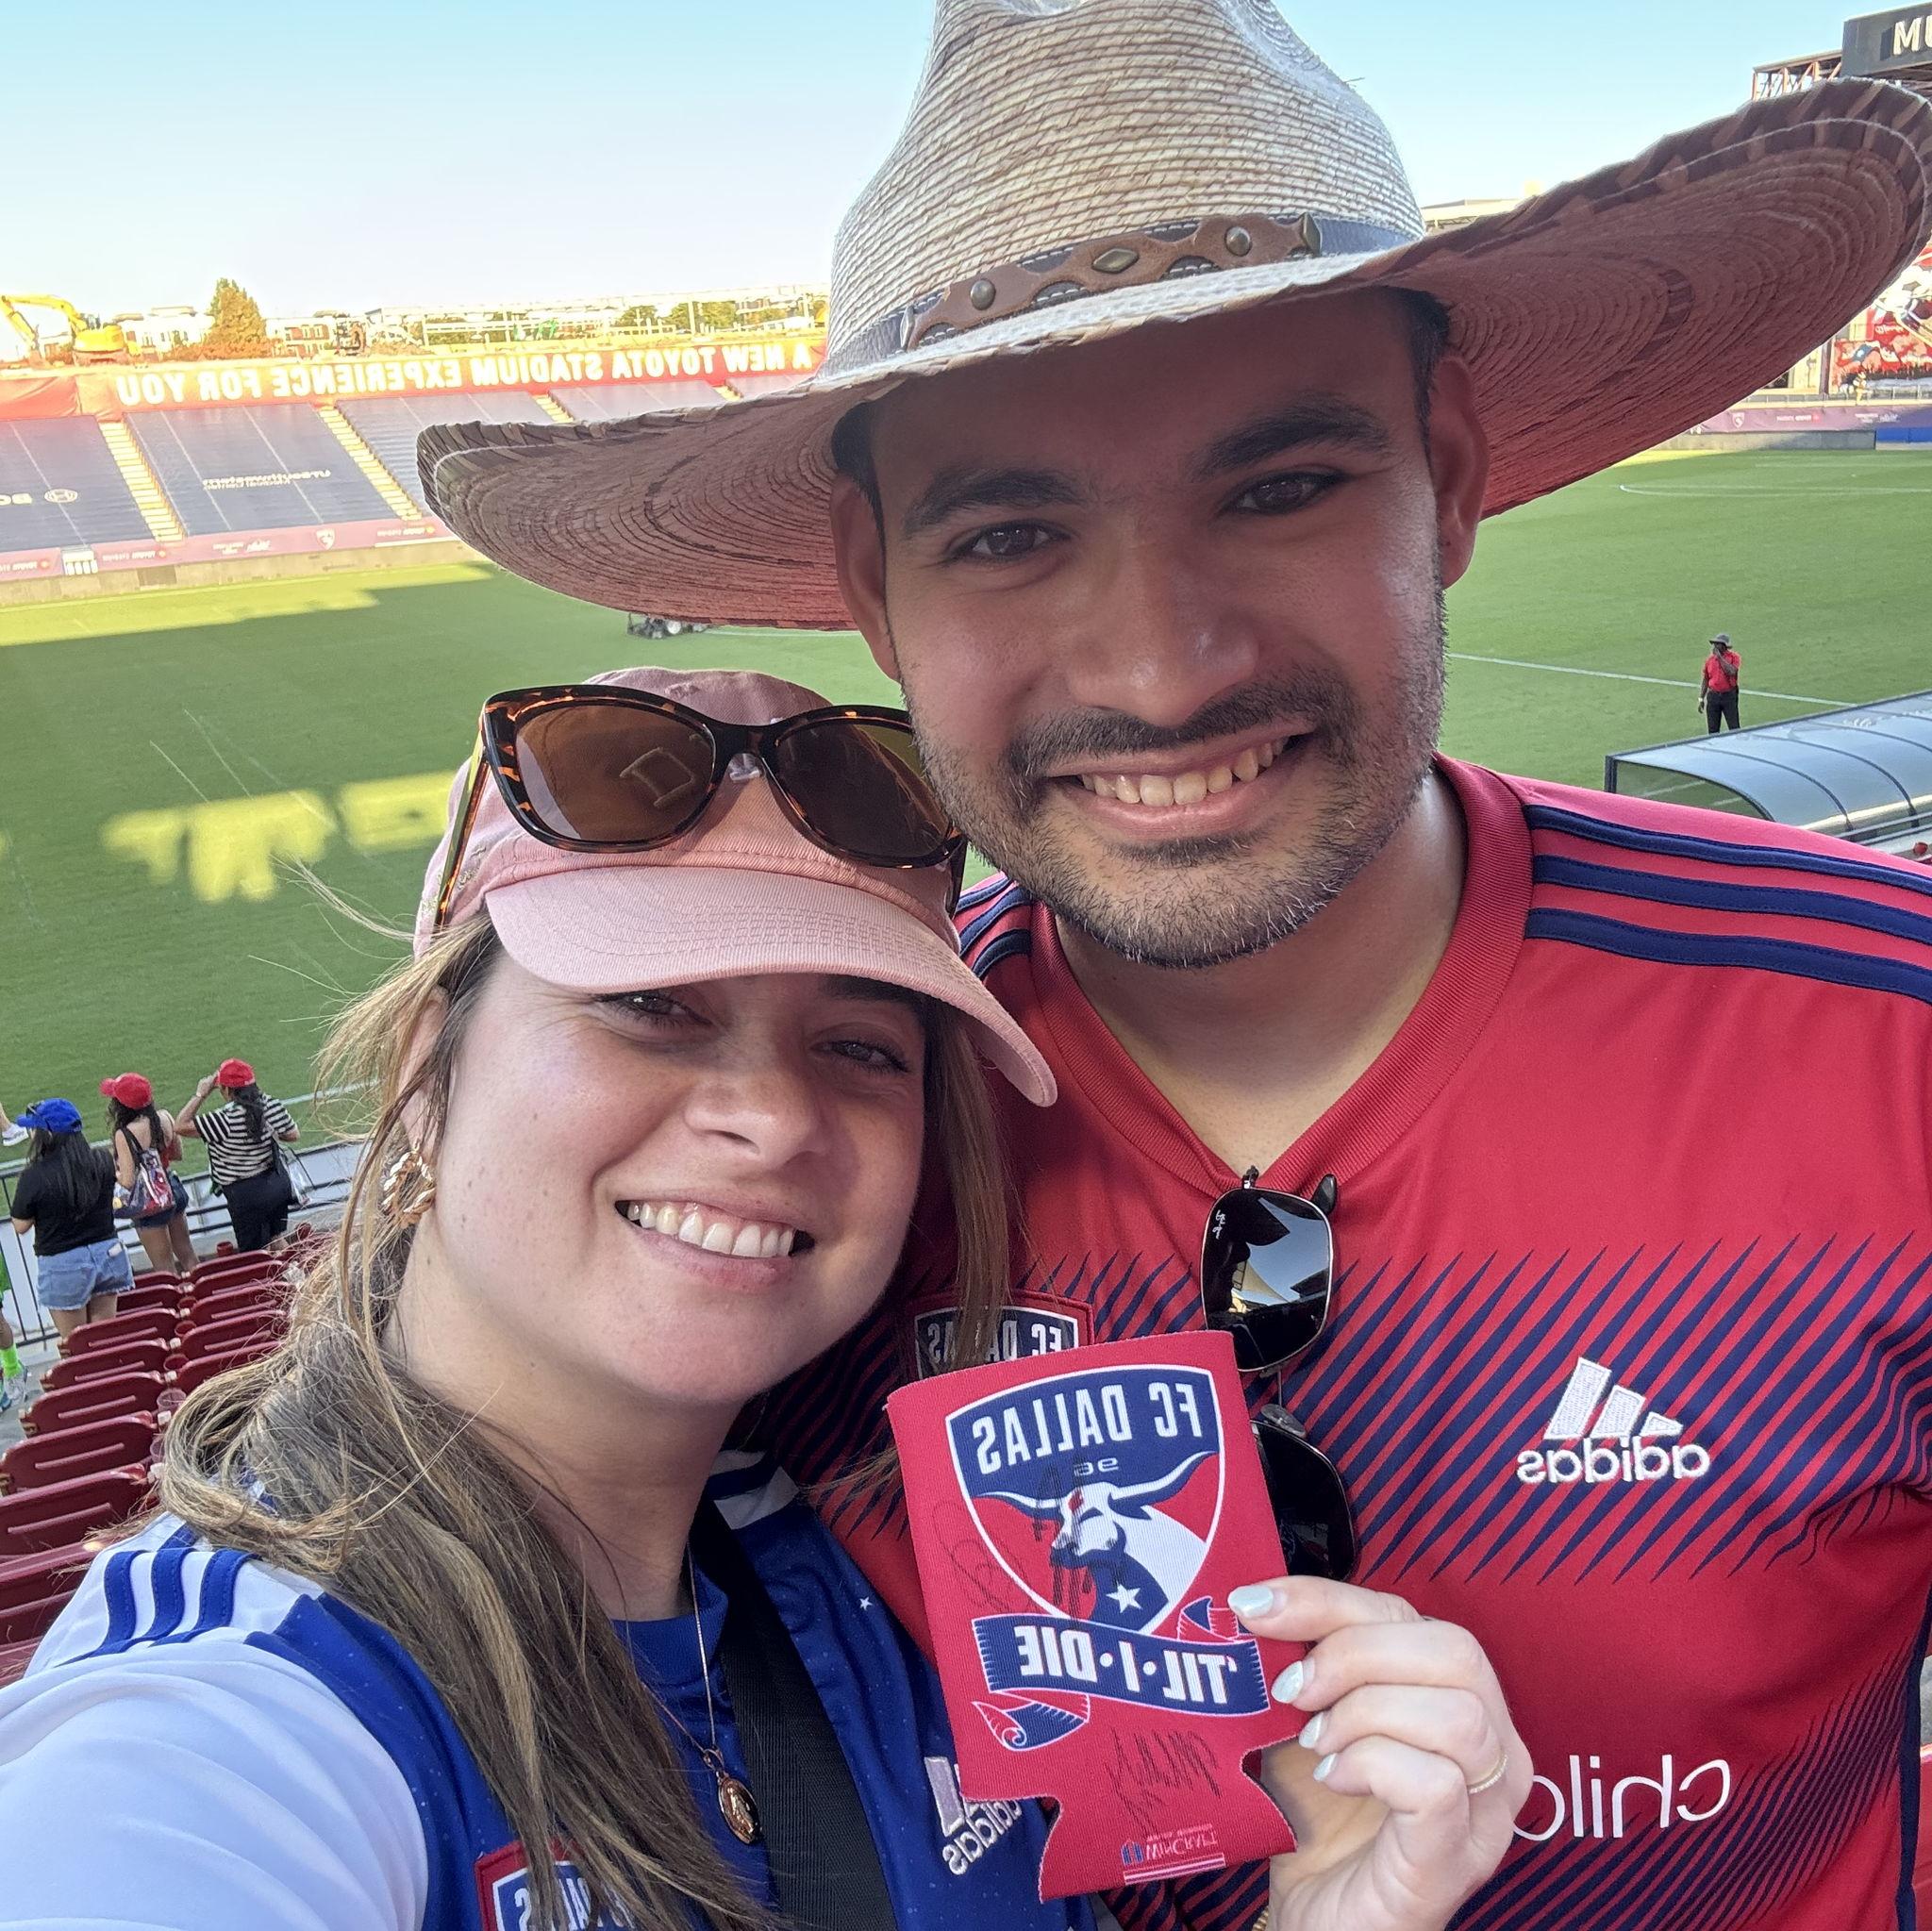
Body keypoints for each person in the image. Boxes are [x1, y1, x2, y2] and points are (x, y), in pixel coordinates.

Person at [419, 8, 1932, 1930]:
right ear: (875, 588)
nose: (1155, 668)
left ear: (1446, 478)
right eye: (1009, 532)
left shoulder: (1892, 1043)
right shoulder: (790, 1168)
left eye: (1280, 487)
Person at [0, 668, 1524, 1931]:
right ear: (424, 1077)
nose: (770, 1118)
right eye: (650, 1011)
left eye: (860, 1046)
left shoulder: (877, 1562)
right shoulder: (241, 1701)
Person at [8, 1097, 134, 1340]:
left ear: (47, 1134)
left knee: (77, 1347)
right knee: (105, 1341)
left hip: (64, 1264)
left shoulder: (34, 1175)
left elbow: (20, 1225)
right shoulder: (101, 1159)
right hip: (109, 1254)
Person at [176, 1058, 298, 1253]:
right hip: (276, 1183)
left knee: (256, 1254)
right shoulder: (270, 1105)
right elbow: (292, 1134)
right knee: (277, 1239)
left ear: (226, 1090)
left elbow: (180, 1125)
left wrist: (201, 1094)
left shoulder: (223, 1119)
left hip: (246, 1194)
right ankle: (295, 1277)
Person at [101, 1071, 196, 1274]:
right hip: (173, 1187)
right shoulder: (164, 1118)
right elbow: (177, 1154)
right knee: (188, 1255)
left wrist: (112, 1172)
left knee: (165, 1269)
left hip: (151, 1203)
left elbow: (127, 1181)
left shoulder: (124, 1133)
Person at [1700, 632, 1743, 733]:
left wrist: (1719, 658)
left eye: (1717, 644)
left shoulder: (1734, 657)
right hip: (1713, 697)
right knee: (1713, 729)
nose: (1714, 646)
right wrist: (1701, 698)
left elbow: (1731, 672)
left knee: (1734, 727)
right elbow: (1705, 680)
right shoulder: (1709, 660)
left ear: (1724, 646)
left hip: (1728, 696)